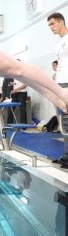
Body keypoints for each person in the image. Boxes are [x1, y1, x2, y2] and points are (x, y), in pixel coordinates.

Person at [48, 13, 68, 164]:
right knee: (65, 120)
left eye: (53, 24)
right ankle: (67, 155)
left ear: (62, 22)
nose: (51, 28)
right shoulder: (58, 43)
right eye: (49, 25)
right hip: (61, 83)